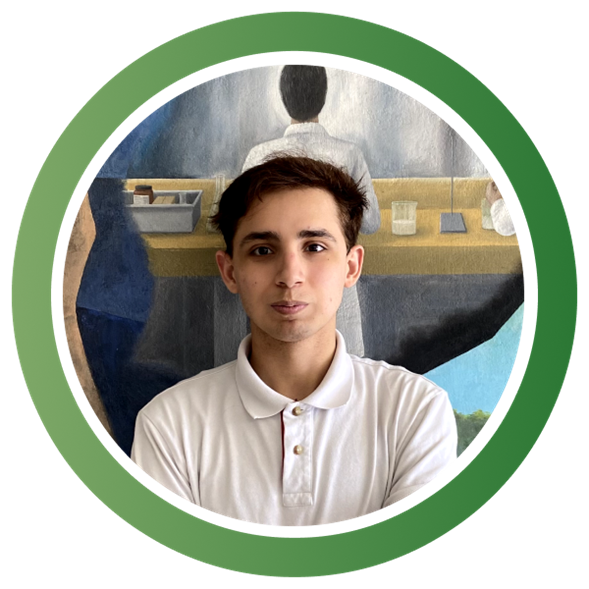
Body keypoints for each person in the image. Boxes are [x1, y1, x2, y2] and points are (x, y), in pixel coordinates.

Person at [131, 156, 457, 527]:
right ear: (230, 271)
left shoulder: (416, 411)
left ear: (351, 266)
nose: (290, 275)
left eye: (314, 247)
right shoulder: (169, 425)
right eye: (263, 250)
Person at [242, 64, 381, 357]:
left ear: (283, 99)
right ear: (324, 96)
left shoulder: (259, 157)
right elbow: (371, 222)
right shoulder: (348, 155)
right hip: (333, 291)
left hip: (274, 297)